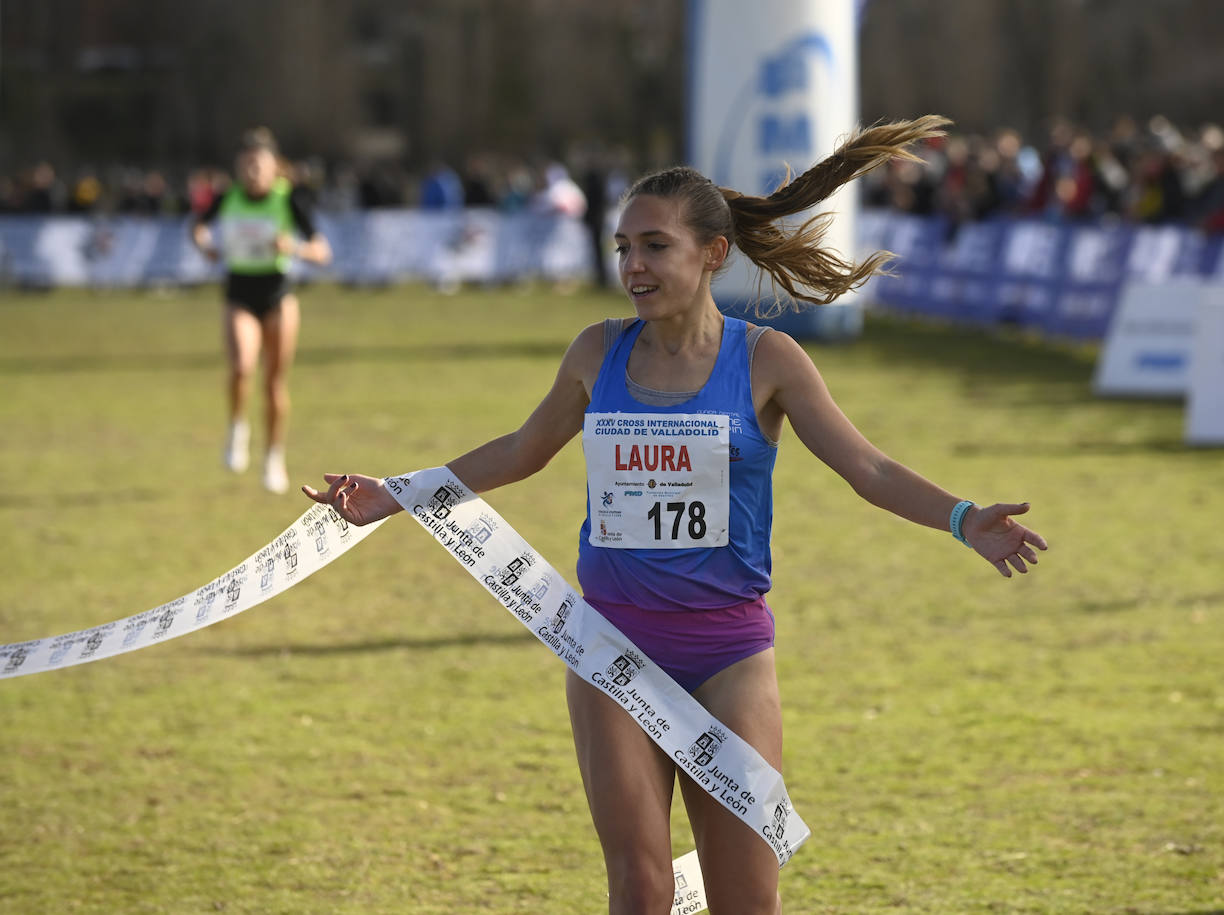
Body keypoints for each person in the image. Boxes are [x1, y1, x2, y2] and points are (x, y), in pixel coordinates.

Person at [303, 117, 1048, 913]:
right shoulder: (597, 351)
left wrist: (963, 517)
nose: (633, 264)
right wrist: (396, 492)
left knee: (743, 898)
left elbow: (867, 466)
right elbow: (523, 448)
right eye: (623, 246)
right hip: (611, 648)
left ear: (711, 254)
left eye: (655, 245)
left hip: (729, 654)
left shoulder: (766, 360)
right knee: (642, 886)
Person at [192, 127, 332, 493]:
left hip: (278, 295)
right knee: (241, 367)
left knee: (274, 383)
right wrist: (205, 246)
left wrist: (294, 248)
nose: (252, 169)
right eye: (247, 163)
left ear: (274, 167)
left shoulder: (289, 200)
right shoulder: (227, 197)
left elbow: (322, 251)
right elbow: (198, 229)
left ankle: (274, 457)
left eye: (259, 163)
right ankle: (238, 427)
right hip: (239, 293)